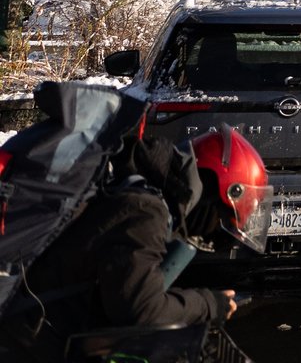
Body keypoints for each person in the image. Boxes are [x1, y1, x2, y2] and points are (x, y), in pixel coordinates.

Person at [0, 124, 268, 361]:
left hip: (39, 331)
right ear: (216, 191)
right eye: (222, 218)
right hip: (31, 343)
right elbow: (140, 309)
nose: (213, 233)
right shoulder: (145, 210)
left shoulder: (140, 191)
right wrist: (209, 304)